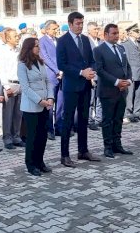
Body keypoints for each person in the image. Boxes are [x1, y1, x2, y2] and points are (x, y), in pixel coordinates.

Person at [57, 11, 100, 167]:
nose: (80, 26)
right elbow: (62, 64)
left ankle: (83, 150)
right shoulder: (62, 41)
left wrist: (91, 71)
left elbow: (92, 60)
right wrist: (81, 72)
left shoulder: (85, 40)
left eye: (82, 23)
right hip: (71, 86)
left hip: (86, 85)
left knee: (83, 119)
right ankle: (64, 155)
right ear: (70, 24)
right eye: (77, 23)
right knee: (67, 120)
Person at [95, 24, 133, 158]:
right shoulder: (99, 50)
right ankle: (108, 147)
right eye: (114, 33)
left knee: (118, 119)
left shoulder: (121, 48)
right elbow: (100, 70)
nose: (117, 35)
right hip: (108, 90)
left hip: (122, 90)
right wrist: (116, 82)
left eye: (117, 33)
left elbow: (126, 66)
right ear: (105, 35)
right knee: (108, 120)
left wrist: (128, 80)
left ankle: (118, 145)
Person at [17, 38, 54, 176]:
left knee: (42, 136)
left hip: (45, 104)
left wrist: (50, 97)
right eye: (36, 46)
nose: (38, 48)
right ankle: (31, 164)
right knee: (32, 136)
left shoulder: (40, 62)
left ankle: (40, 161)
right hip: (31, 106)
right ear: (29, 48)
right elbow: (25, 88)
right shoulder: (22, 65)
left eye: (38, 46)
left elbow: (47, 81)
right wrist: (40, 101)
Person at [0, 27, 23, 149]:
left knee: (18, 113)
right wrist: (6, 87)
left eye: (18, 36)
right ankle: (7, 138)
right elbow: (1, 70)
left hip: (20, 84)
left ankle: (16, 136)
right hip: (9, 85)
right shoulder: (3, 52)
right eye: (15, 36)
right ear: (8, 38)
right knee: (8, 113)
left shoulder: (19, 50)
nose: (18, 38)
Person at [39, 20, 63, 140]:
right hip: (50, 75)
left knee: (60, 103)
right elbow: (45, 58)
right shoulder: (42, 41)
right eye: (54, 29)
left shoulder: (58, 40)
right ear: (47, 29)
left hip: (61, 76)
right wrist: (57, 71)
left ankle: (59, 127)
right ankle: (49, 130)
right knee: (50, 104)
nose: (56, 31)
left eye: (57, 29)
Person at [122, 25, 140, 122]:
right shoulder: (125, 44)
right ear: (130, 33)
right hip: (131, 73)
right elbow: (125, 61)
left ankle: (137, 112)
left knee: (139, 93)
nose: (138, 33)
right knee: (129, 94)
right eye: (136, 31)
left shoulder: (139, 43)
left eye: (138, 31)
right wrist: (127, 75)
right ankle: (128, 113)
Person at [86, 22, 102, 130]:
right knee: (90, 100)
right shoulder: (86, 43)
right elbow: (86, 60)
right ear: (89, 31)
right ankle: (90, 120)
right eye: (94, 29)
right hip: (92, 75)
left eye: (97, 28)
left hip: (101, 75)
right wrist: (90, 76)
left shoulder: (101, 42)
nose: (97, 30)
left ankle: (99, 119)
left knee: (100, 98)